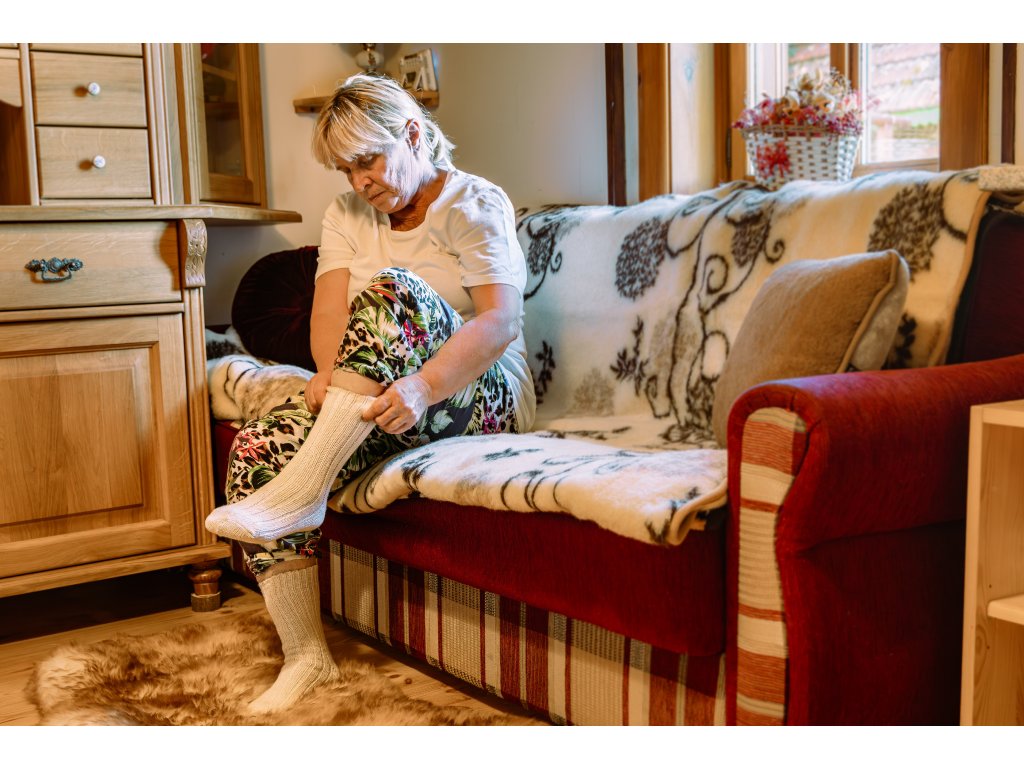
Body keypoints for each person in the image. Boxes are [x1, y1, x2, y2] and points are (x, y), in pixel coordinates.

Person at [204, 73, 536, 714]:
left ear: (412, 134)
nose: (360, 181)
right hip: (377, 398)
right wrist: (330, 375)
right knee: (258, 448)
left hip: (480, 393)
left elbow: (501, 322)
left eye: (368, 161)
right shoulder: (346, 213)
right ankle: (307, 658)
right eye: (346, 169)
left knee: (395, 289)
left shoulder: (474, 202)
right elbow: (329, 312)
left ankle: (301, 494)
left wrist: (423, 385)